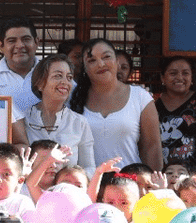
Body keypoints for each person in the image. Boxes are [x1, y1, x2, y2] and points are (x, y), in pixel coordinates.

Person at [69, 38, 161, 170]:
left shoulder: (140, 97)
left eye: (106, 57)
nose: (100, 64)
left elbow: (152, 147)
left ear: (117, 62)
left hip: (130, 185)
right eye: (92, 60)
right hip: (86, 186)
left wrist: (151, 184)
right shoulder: (72, 98)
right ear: (85, 67)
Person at [11, 53, 94, 169]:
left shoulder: (79, 123)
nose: (65, 82)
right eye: (58, 76)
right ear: (40, 84)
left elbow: (89, 168)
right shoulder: (22, 120)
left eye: (69, 77)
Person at [156, 57, 196, 174]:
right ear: (163, 78)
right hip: (161, 176)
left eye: (185, 73)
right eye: (173, 73)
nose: (180, 78)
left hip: (194, 176)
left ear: (191, 78)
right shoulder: (152, 104)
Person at [0, 18, 40, 116]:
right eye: (12, 41)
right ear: (1, 46)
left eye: (26, 39)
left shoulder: (53, 73)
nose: (20, 45)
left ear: (36, 42)